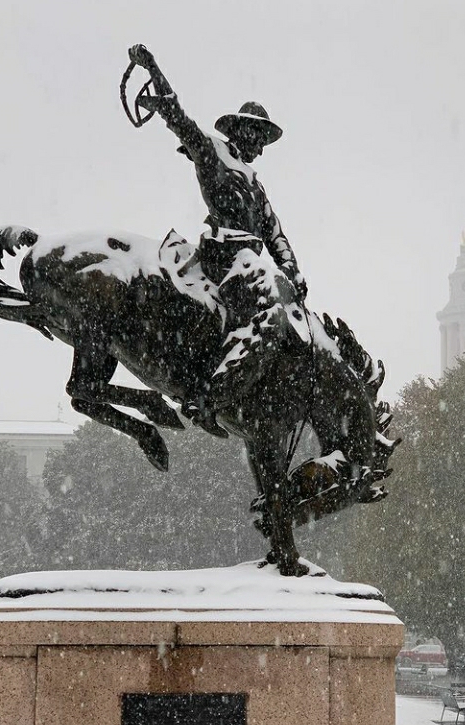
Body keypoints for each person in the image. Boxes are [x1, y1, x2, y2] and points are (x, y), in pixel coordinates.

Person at [127, 45, 308, 434]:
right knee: (267, 303)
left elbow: (275, 233)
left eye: (263, 138)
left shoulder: (255, 183)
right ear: (240, 131)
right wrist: (155, 70)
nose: (260, 146)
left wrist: (293, 270)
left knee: (284, 305)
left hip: (249, 259)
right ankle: (209, 396)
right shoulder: (213, 154)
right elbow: (179, 120)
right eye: (256, 135)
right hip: (225, 256)